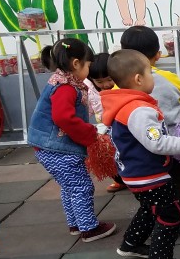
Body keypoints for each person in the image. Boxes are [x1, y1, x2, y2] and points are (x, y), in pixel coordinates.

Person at [102, 50, 180, 259]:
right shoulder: (139, 110)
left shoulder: (123, 104)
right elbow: (158, 143)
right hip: (150, 175)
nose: (153, 77)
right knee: (170, 215)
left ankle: (131, 244)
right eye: (150, 73)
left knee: (148, 209)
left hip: (135, 173)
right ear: (138, 79)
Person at [27, 38, 117, 243]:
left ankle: (76, 223)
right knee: (81, 187)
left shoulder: (61, 81)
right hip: (57, 148)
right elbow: (63, 118)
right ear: (76, 64)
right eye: (88, 65)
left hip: (47, 146)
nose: (88, 70)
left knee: (70, 187)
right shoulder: (66, 87)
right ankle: (89, 228)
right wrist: (90, 134)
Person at [121, 25, 180, 238]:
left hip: (144, 148)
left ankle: (165, 221)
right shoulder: (168, 78)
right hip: (176, 141)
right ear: (157, 54)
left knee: (156, 186)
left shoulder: (118, 86)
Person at [85, 51, 127, 194]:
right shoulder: (90, 91)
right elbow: (87, 110)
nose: (106, 85)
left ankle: (130, 177)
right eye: (99, 82)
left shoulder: (123, 86)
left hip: (123, 126)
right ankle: (119, 179)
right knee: (102, 153)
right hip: (105, 128)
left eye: (109, 79)